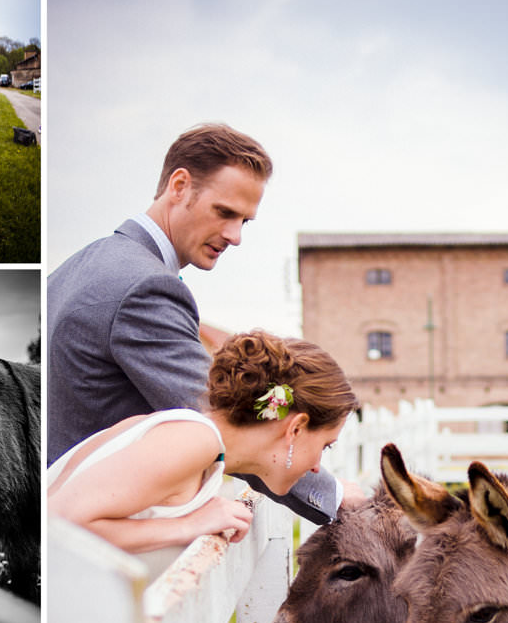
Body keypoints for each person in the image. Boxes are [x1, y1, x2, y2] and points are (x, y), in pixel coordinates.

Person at [46, 122, 366, 527]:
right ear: (179, 186)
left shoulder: (79, 265)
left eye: (245, 221)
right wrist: (335, 496)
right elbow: (228, 422)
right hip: (85, 542)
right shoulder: (146, 287)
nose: (235, 236)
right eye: (225, 212)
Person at [48, 330, 359, 571]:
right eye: (325, 446)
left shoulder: (195, 442)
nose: (318, 466)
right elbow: (59, 527)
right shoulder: (194, 441)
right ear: (295, 428)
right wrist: (188, 526)